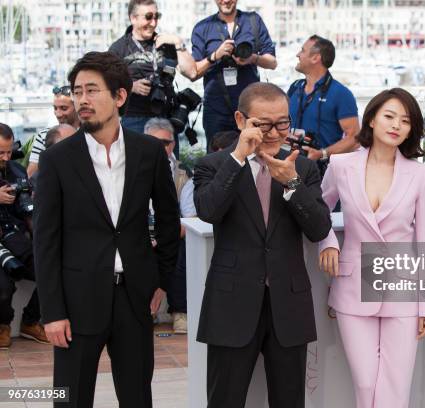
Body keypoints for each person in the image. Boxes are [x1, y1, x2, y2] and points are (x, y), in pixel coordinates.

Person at [33, 51, 180, 408]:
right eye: (77, 90)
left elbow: (167, 217)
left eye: (92, 90)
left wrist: (160, 279)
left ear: (119, 96)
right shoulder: (57, 159)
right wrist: (52, 311)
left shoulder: (148, 152)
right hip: (76, 299)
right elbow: (45, 239)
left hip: (135, 298)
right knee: (69, 398)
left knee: (136, 397)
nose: (82, 99)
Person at [193, 82, 331, 408]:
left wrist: (291, 183)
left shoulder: (304, 166)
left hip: (289, 303)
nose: (273, 133)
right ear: (241, 120)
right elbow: (209, 210)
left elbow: (319, 227)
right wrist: (239, 157)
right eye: (262, 124)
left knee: (289, 400)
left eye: (282, 123)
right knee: (224, 399)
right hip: (231, 302)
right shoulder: (213, 165)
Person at [318, 88, 425, 408]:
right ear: (371, 119)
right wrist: (328, 243)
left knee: (396, 384)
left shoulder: (421, 175)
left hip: (403, 288)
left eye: (405, 120)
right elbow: (318, 211)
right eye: (389, 116)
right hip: (353, 285)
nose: (396, 124)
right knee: (365, 381)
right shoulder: (341, 165)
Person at [188, 0, 277, 151]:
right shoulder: (203, 27)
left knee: (253, 157)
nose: (226, 1)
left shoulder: (253, 21)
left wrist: (252, 58)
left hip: (249, 108)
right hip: (216, 109)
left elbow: (272, 62)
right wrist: (215, 55)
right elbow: (194, 72)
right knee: (216, 161)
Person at [109, 0, 197, 134]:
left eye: (157, 17)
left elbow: (191, 73)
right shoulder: (118, 48)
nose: (154, 23)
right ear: (133, 18)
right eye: (148, 17)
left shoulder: (167, 43)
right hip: (134, 118)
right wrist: (131, 86)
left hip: (166, 118)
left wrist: (177, 42)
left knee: (167, 156)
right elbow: (106, 85)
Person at [0, 123, 49, 349]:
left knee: (51, 270)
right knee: (3, 286)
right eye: (0, 152)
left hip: (17, 238)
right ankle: (3, 326)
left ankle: (31, 321)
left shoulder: (17, 170)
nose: (6, 157)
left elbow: (28, 210)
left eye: (9, 151)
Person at [143, 117, 189, 333]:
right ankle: (144, 310)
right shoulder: (131, 169)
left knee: (180, 252)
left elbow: (191, 217)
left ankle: (180, 310)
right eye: (155, 141)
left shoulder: (184, 173)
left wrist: (162, 238)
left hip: (173, 232)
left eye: (166, 142)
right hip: (139, 232)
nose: (161, 147)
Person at [288, 35, 360, 170]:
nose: (298, 55)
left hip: (322, 172)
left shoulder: (341, 93)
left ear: (315, 58)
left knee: (312, 192)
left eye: (302, 51)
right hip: (292, 166)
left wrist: (321, 154)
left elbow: (355, 139)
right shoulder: (294, 88)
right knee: (291, 191)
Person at [26, 86, 80, 177]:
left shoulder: (89, 135)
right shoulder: (44, 136)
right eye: (55, 108)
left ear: (77, 107)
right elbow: (31, 175)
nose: (58, 114)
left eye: (64, 108)